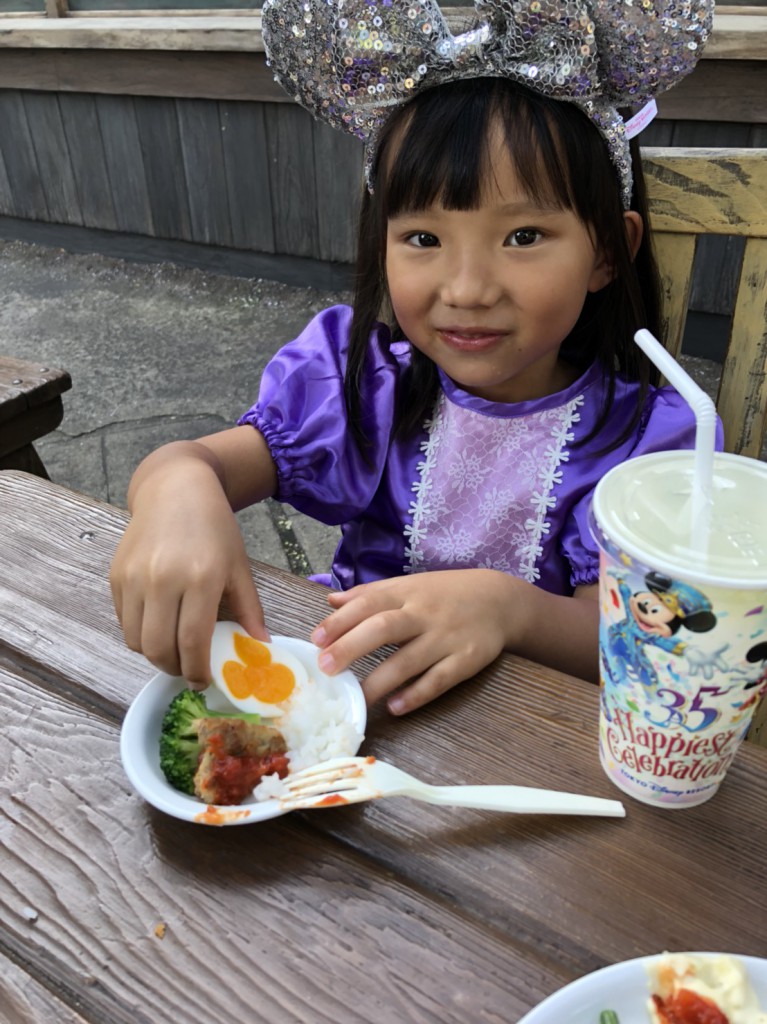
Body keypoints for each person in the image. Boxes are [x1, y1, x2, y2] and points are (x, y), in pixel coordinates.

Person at [110, 0, 718, 716]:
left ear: (609, 252)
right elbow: (197, 463)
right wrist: (178, 487)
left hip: (530, 737)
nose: (466, 290)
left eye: (522, 236)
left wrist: (510, 610)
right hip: (345, 705)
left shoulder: (648, 440)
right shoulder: (363, 382)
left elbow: (642, 639)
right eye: (424, 239)